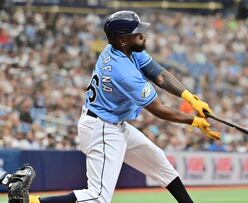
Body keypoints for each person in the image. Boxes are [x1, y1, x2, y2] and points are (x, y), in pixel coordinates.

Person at [29, 10, 220, 203]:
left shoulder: (124, 50)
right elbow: (157, 109)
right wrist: (194, 120)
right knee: (97, 197)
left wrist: (191, 98)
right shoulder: (124, 72)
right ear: (122, 40)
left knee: (161, 165)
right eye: (137, 33)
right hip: (101, 129)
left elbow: (159, 75)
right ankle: (34, 202)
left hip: (114, 124)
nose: (142, 35)